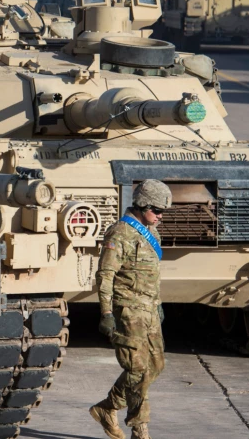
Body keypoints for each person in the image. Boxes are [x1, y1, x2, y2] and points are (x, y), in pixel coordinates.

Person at [89, 179, 172, 439]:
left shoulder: (151, 232)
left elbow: (151, 274)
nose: (160, 216)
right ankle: (140, 429)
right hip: (128, 309)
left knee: (156, 365)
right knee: (137, 369)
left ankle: (108, 407)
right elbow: (105, 276)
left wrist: (157, 304)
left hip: (148, 309)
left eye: (162, 212)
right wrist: (105, 313)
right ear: (142, 205)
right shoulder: (119, 233)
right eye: (156, 210)